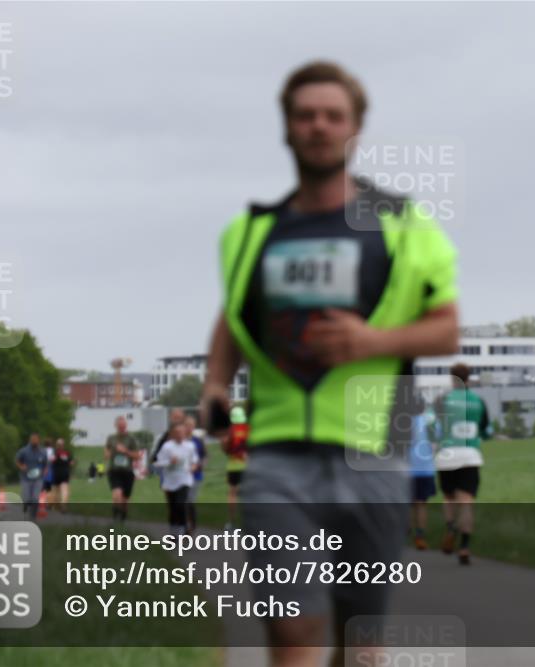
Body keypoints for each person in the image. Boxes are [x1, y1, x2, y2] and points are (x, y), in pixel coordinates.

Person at [199, 60, 460, 667]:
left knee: (361, 642)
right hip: (277, 456)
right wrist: (215, 381)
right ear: (287, 128)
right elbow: (234, 315)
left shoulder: (403, 225)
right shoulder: (250, 232)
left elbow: (446, 328)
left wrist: (370, 342)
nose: (318, 126)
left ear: (355, 129)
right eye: (305, 115)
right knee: (292, 632)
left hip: (374, 451)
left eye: (332, 115)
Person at [434, 363, 491, 565]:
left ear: (451, 379)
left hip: (447, 455)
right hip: (470, 455)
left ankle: (450, 526)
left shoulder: (442, 400)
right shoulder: (479, 402)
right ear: (468, 379)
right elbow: (487, 430)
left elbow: (435, 427)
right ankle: (465, 546)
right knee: (466, 502)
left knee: (449, 498)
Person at [154, 422, 199, 536]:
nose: (180, 435)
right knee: (173, 509)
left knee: (181, 504)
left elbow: (194, 460)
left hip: (184, 480)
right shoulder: (167, 446)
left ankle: (184, 531)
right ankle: (174, 534)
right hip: (170, 482)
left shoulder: (190, 446)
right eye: (177, 432)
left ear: (185, 433)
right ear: (173, 434)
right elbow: (158, 463)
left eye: (182, 432)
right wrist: (170, 462)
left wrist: (193, 467)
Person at [409, 398, 437, 551]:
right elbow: (437, 441)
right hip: (425, 468)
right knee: (421, 504)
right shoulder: (430, 422)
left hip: (405, 469)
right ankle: (420, 536)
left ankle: (404, 532)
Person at [105, 416, 140, 523]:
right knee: (117, 494)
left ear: (126, 426)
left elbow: (137, 456)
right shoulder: (111, 438)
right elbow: (106, 453)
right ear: (116, 426)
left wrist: (125, 451)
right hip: (114, 471)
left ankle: (123, 517)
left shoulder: (131, 439)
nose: (122, 428)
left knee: (125, 500)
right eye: (120, 426)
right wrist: (109, 453)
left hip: (127, 472)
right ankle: (116, 517)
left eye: (124, 426)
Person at [222, 405, 250, 530]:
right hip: (248, 465)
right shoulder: (249, 429)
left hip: (233, 466)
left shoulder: (230, 431)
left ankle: (232, 522)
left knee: (232, 493)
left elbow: (225, 448)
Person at [16, 433, 48, 520]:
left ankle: (33, 516)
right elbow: (17, 461)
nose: (34, 441)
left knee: (35, 498)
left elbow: (45, 464)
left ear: (38, 440)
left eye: (35, 439)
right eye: (32, 439)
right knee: (26, 497)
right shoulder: (23, 451)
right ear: (30, 440)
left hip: (38, 478)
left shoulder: (42, 452)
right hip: (25, 478)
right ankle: (25, 506)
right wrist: (21, 466)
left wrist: (45, 471)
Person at [184, 415, 207, 533]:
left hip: (195, 476)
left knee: (190, 500)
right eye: (187, 425)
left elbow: (204, 456)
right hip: (181, 476)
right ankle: (185, 525)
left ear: (194, 427)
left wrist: (201, 465)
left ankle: (191, 525)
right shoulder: (180, 440)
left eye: (191, 426)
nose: (189, 428)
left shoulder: (198, 441)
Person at [50, 438, 75, 511]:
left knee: (55, 490)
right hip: (65, 472)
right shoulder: (67, 453)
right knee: (65, 489)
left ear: (57, 445)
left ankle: (56, 506)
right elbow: (72, 463)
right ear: (63, 445)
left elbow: (51, 461)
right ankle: (63, 504)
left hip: (56, 473)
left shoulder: (54, 452)